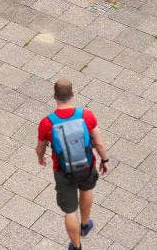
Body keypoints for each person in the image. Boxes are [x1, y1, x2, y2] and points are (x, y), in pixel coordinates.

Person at [36, 78, 109, 250]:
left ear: (54, 96)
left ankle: (76, 246)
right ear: (72, 95)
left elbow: (40, 147)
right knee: (86, 189)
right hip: (86, 166)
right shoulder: (86, 115)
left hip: (63, 171)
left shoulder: (47, 123)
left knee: (69, 211)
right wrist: (104, 159)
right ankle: (85, 224)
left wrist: (41, 157)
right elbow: (98, 142)